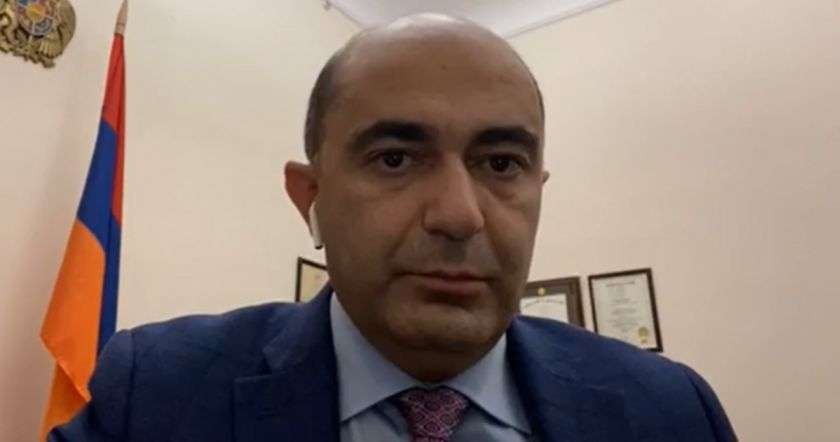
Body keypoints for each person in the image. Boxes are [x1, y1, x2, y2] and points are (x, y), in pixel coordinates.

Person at [49, 13, 737, 442]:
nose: (459, 215)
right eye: (396, 159)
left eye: (501, 163)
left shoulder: (670, 412)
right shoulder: (157, 395)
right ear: (310, 197)